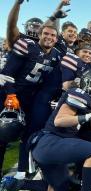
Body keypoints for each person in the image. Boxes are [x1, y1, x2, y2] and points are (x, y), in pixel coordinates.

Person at [0, 69, 91, 191]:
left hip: (45, 147)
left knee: (60, 190)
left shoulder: (83, 98)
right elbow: (60, 121)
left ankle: (16, 183)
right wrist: (86, 117)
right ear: (84, 82)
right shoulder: (79, 94)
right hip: (51, 143)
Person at [0, 24, 61, 179]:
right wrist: (10, 94)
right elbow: (7, 74)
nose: (49, 37)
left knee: (28, 135)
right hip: (11, 95)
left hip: (31, 98)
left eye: (53, 35)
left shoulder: (56, 55)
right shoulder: (27, 46)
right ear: (39, 35)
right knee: (4, 132)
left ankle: (23, 171)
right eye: (46, 34)